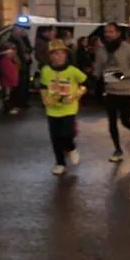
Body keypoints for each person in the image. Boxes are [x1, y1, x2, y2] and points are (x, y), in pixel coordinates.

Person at [91, 21, 130, 162]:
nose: (108, 34)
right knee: (112, 122)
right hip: (110, 92)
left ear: (118, 33)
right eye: (106, 32)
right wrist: (92, 78)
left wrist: (122, 75)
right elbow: (98, 70)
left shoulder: (127, 48)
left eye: (111, 31)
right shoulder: (101, 51)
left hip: (126, 91)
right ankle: (117, 150)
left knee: (125, 120)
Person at [38, 40, 87, 174]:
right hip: (52, 110)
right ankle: (60, 163)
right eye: (53, 54)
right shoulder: (45, 70)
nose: (56, 56)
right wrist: (44, 98)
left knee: (67, 133)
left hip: (68, 109)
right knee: (55, 137)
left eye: (59, 53)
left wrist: (75, 95)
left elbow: (85, 83)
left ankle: (71, 148)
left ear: (65, 55)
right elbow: (43, 86)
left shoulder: (73, 71)